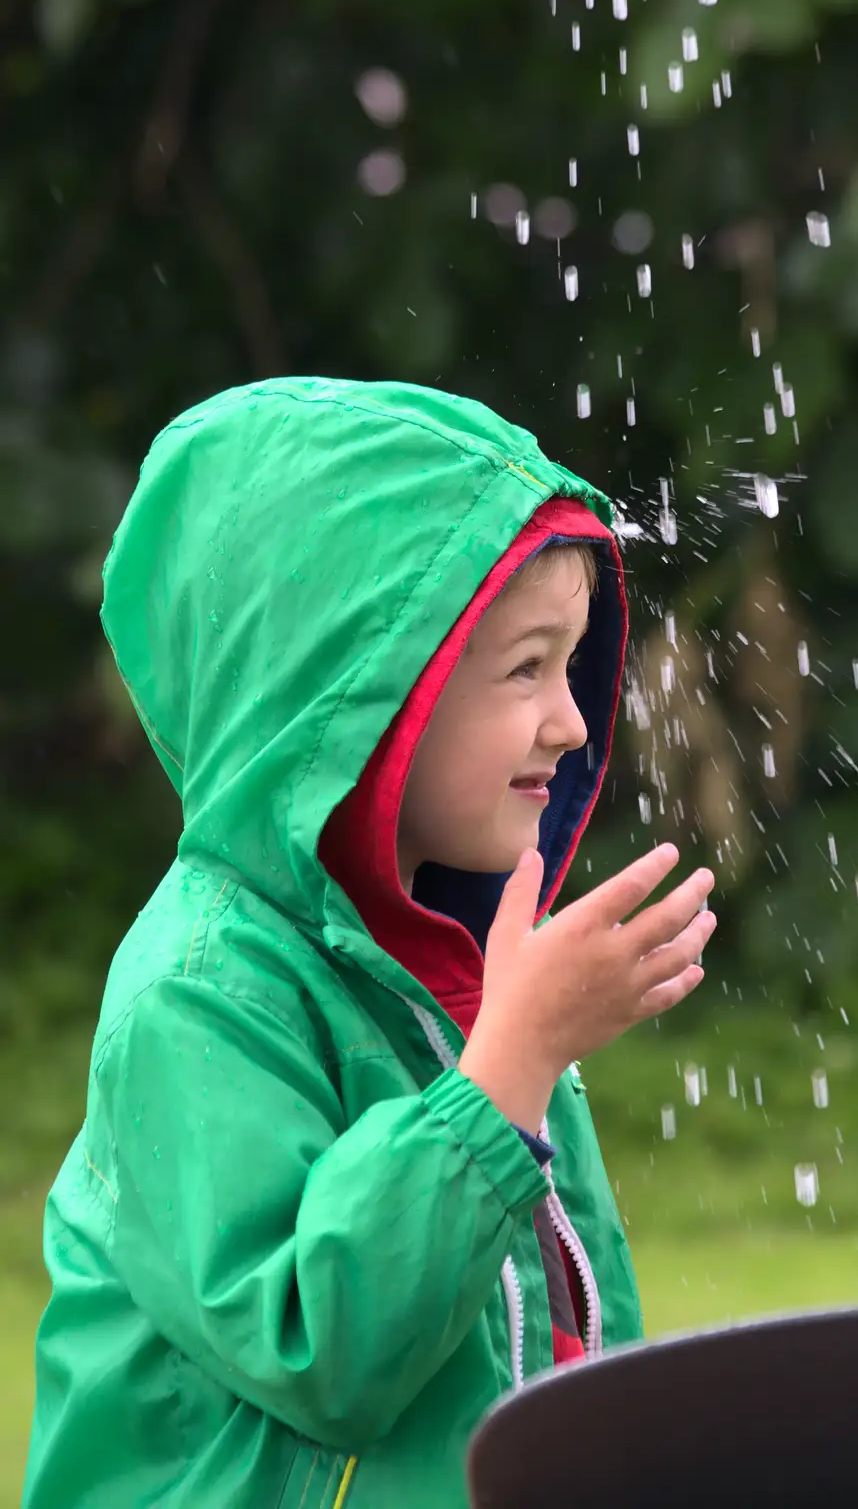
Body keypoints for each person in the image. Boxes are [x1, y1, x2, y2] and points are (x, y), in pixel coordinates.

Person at [23, 377, 716, 1509]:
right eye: (526, 668)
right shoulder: (198, 994)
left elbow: (570, 1318)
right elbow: (320, 1347)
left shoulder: (464, 971)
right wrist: (505, 1077)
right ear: (360, 697)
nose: (576, 719)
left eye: (574, 663)